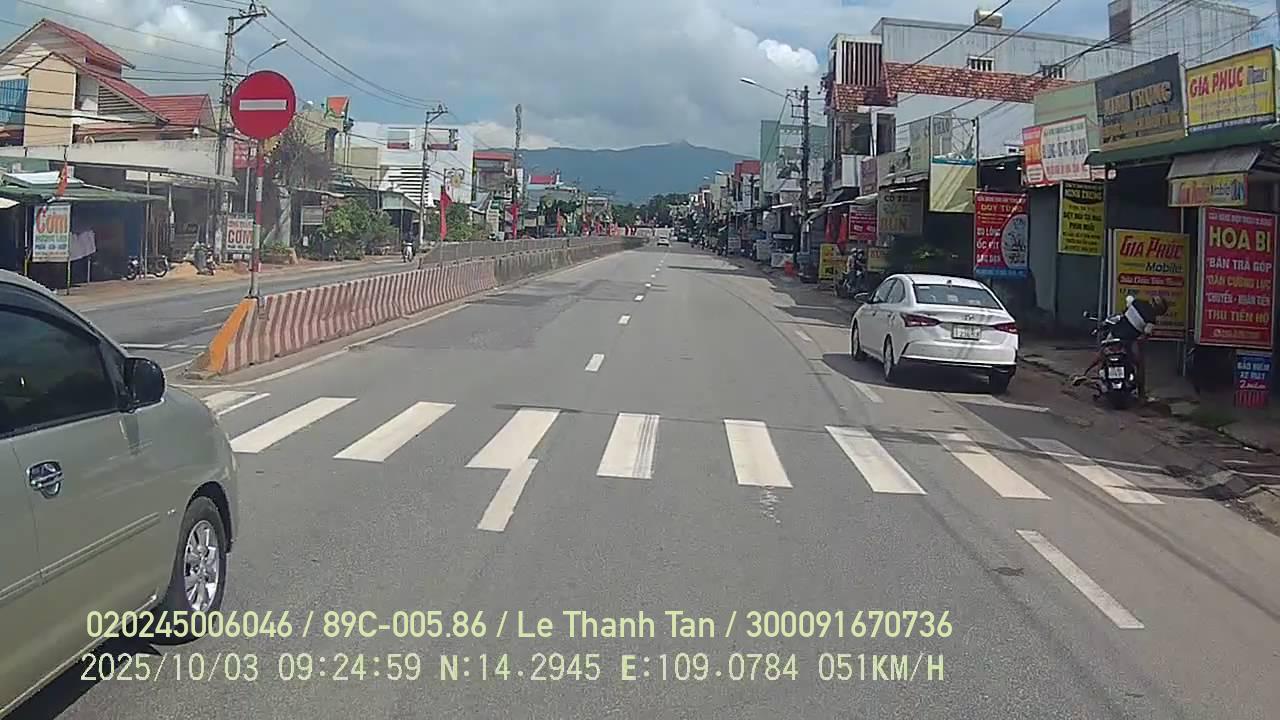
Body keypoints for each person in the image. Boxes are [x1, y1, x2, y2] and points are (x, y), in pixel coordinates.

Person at [1074, 294, 1169, 398]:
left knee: (1102, 354)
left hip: (1115, 335)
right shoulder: (1151, 320)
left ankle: (1084, 373)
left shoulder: (1136, 302)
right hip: (1128, 341)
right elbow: (1144, 336)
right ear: (1158, 310)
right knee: (1140, 365)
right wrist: (1141, 344)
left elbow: (1122, 314)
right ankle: (1141, 395)